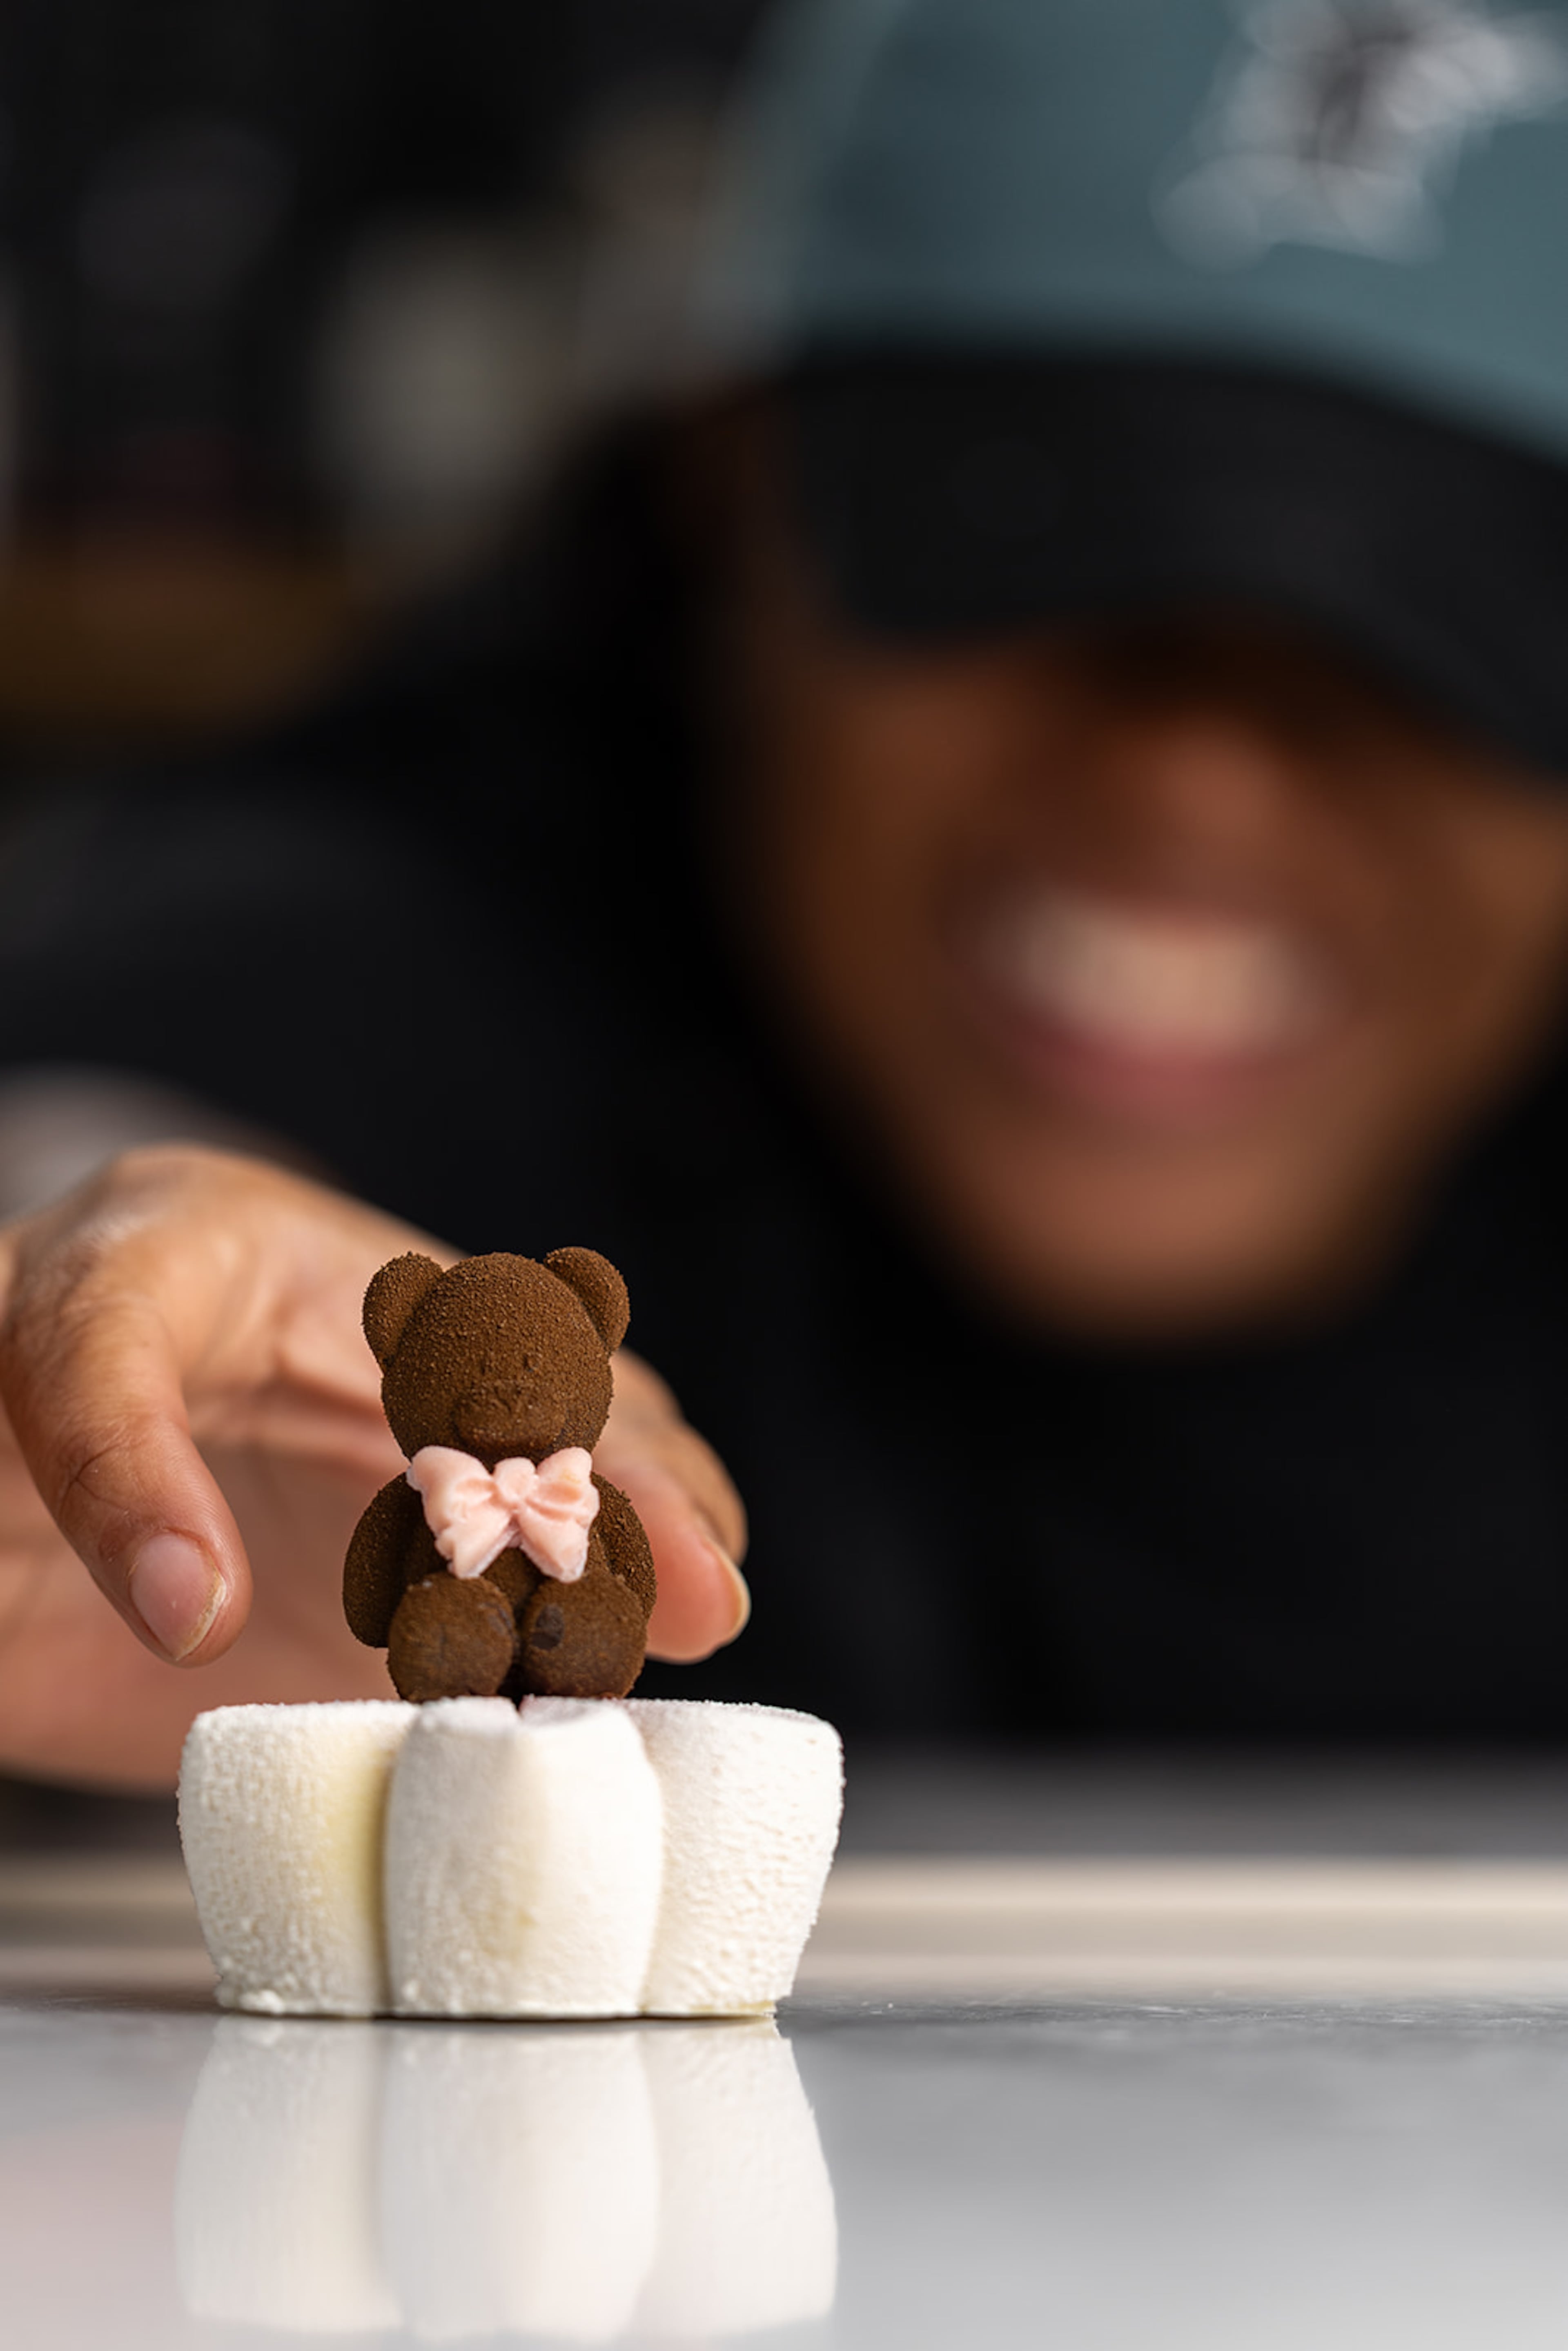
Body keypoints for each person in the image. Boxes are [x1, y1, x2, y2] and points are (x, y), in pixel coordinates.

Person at [7, 0, 1568, 1786]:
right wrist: (83, 1334)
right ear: (728, 499)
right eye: (1031, 538)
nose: (1191, 782)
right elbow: (125, 1106)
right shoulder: (464, 885)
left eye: (1438, 636)